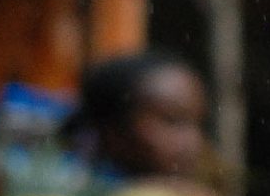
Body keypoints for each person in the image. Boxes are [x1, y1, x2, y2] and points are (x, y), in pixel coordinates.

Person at [73, 51, 210, 185]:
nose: (193, 141)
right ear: (114, 129)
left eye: (199, 123)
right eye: (173, 120)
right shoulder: (71, 192)